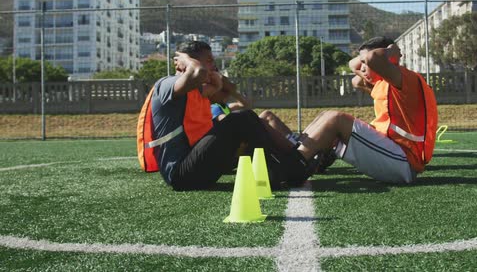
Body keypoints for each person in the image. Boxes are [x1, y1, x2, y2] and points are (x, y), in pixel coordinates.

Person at [149, 41, 315, 190]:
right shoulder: (166, 84)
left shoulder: (197, 91)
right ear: (191, 62)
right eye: (209, 60)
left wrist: (216, 78)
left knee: (249, 118)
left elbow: (229, 92)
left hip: (200, 166)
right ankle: (289, 169)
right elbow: (198, 72)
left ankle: (293, 161)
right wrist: (184, 58)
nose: (213, 65)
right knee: (240, 119)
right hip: (181, 175)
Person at [294, 36, 438, 184]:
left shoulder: (406, 79)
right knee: (325, 116)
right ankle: (295, 153)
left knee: (336, 119)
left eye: (365, 62)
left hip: (405, 161)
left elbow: (372, 58)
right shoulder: (384, 83)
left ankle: (292, 168)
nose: (361, 67)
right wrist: (370, 58)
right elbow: (354, 72)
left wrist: (390, 51)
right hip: (394, 153)